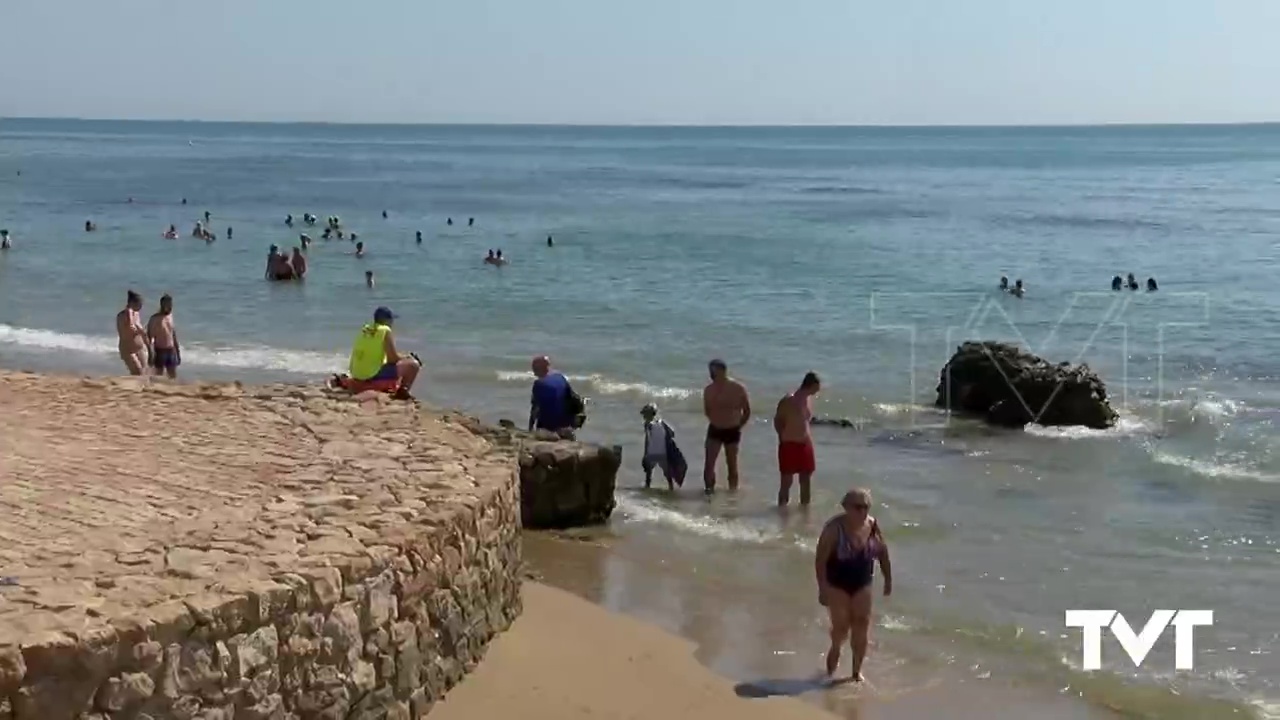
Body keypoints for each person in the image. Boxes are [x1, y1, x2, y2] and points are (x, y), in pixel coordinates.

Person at [815, 489, 892, 681]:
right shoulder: (834, 529)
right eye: (858, 507)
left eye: (866, 507)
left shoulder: (872, 525)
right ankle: (834, 652)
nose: (862, 512)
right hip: (837, 584)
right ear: (846, 507)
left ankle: (856, 673)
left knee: (862, 623)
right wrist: (822, 588)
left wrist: (888, 579)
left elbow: (882, 552)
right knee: (841, 628)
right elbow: (820, 559)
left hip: (862, 581)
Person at [347, 307, 421, 400]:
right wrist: (407, 358)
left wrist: (402, 357)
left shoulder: (366, 329)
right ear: (386, 320)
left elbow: (374, 352)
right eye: (391, 320)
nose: (392, 323)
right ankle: (402, 392)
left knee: (400, 362)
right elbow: (392, 359)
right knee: (413, 365)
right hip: (370, 375)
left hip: (356, 373)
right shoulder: (385, 330)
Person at [702, 359, 751, 493]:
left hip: (732, 429)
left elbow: (746, 411)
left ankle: (732, 495)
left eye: (714, 371)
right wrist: (717, 420)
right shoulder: (709, 390)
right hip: (715, 429)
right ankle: (708, 493)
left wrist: (738, 425)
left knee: (732, 464)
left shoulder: (737, 388)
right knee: (709, 464)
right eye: (710, 371)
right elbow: (707, 410)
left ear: (723, 371)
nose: (711, 374)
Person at [775, 372, 821, 506]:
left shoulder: (808, 399)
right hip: (789, 443)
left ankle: (804, 514)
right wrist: (782, 437)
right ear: (811, 385)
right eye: (817, 387)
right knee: (786, 481)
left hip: (805, 443)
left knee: (806, 480)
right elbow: (778, 420)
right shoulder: (789, 400)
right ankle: (782, 512)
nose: (818, 390)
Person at [528, 355, 580, 438]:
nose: (533, 371)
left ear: (538, 368)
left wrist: (530, 429)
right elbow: (574, 398)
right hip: (567, 424)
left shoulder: (538, 384)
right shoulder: (560, 377)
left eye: (534, 368)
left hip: (548, 427)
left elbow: (534, 409)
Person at [640, 403, 686, 490]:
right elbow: (672, 433)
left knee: (648, 473)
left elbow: (647, 440)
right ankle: (671, 488)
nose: (643, 417)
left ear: (647, 415)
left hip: (652, 452)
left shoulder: (647, 425)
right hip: (663, 452)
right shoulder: (662, 422)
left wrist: (645, 454)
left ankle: (647, 487)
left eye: (644, 414)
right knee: (667, 473)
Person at [147, 294, 181, 379]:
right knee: (159, 374)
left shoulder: (170, 316)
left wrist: (177, 351)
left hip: (171, 349)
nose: (170, 307)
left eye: (170, 305)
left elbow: (173, 334)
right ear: (162, 305)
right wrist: (151, 353)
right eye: (168, 305)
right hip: (159, 350)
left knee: (173, 374)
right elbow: (150, 337)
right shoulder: (154, 319)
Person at [115, 290, 148, 375]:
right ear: (132, 303)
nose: (141, 306)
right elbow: (130, 328)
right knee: (137, 371)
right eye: (139, 304)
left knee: (144, 371)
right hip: (128, 349)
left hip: (139, 348)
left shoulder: (136, 314)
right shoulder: (123, 315)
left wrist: (148, 344)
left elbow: (139, 330)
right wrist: (141, 331)